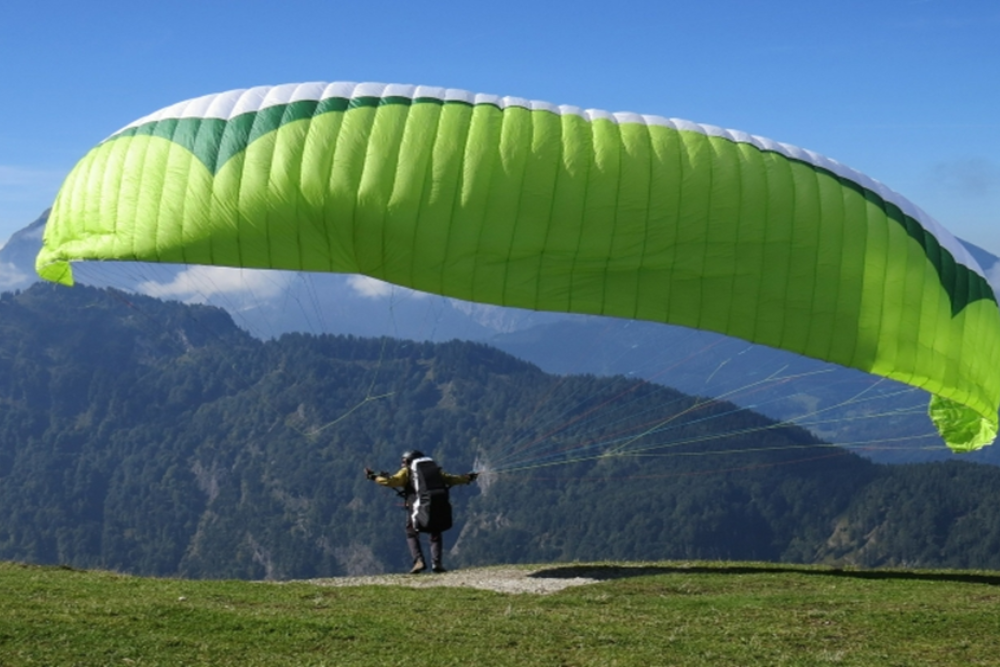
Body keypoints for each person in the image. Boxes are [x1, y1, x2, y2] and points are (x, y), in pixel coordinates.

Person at [365, 450, 478, 574]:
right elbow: (450, 479)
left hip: (416, 506)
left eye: (404, 461)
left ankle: (419, 561)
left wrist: (374, 477)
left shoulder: (407, 471)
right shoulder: (434, 471)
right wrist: (467, 478)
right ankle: (437, 563)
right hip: (437, 505)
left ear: (408, 461)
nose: (402, 463)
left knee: (411, 532)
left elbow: (391, 481)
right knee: (435, 532)